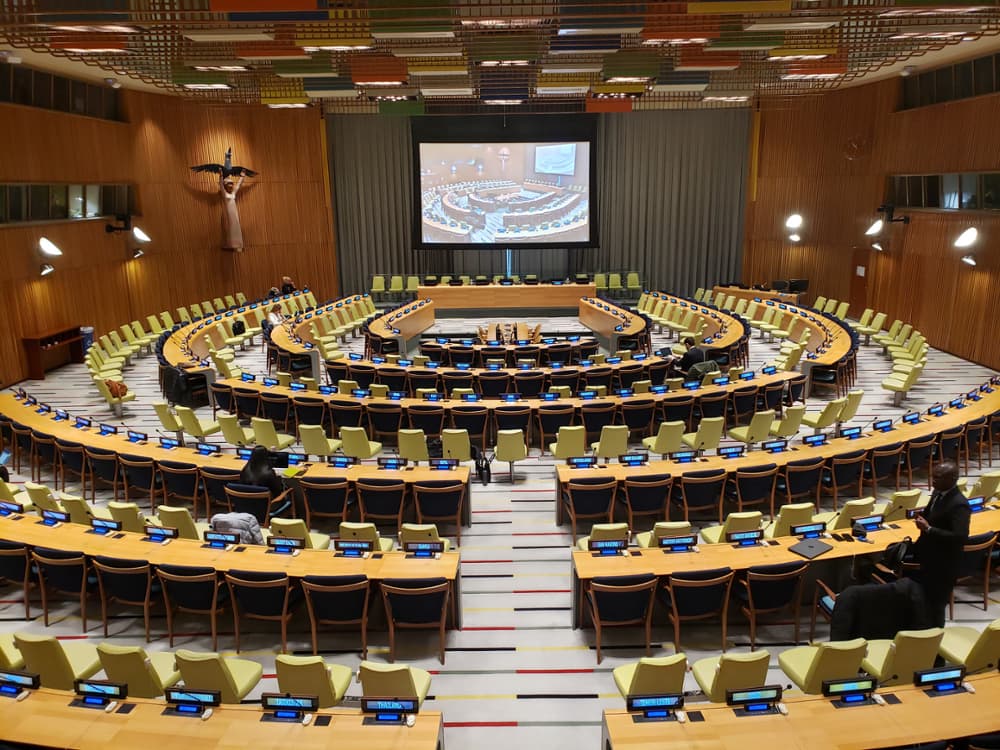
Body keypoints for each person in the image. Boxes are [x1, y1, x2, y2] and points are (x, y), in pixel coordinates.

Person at [911, 459, 970, 626]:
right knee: (924, 600)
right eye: (932, 476)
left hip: (944, 563)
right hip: (927, 556)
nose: (933, 480)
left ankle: (935, 637)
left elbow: (960, 537)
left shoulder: (959, 504)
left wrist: (929, 529)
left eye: (937, 477)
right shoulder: (937, 493)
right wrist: (921, 517)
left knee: (937, 605)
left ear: (951, 479)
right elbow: (931, 514)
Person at [220, 170, 246, 252]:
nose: (231, 185)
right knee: (230, 227)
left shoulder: (233, 194)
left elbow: (238, 185)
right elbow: (220, 185)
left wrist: (242, 176)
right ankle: (230, 244)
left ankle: (238, 244)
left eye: (232, 184)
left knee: (236, 226)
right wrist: (220, 176)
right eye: (229, 184)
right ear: (225, 186)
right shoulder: (225, 194)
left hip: (234, 212)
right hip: (229, 213)